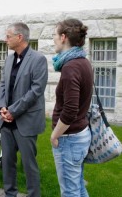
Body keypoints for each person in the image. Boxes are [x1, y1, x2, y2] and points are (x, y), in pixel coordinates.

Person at [0, 22, 48, 197]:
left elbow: (36, 91)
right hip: (6, 121)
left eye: (8, 36)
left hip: (25, 121)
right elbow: (3, 85)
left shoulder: (38, 59)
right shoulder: (9, 58)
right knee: (7, 163)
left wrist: (13, 111)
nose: (6, 40)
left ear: (19, 37)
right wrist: (2, 108)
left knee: (29, 165)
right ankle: (9, 194)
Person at [51, 19, 93, 197]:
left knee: (70, 192)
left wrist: (55, 135)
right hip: (80, 134)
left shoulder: (71, 67)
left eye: (54, 35)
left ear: (63, 37)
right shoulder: (83, 61)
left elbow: (70, 111)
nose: (53, 39)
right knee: (78, 188)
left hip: (69, 139)